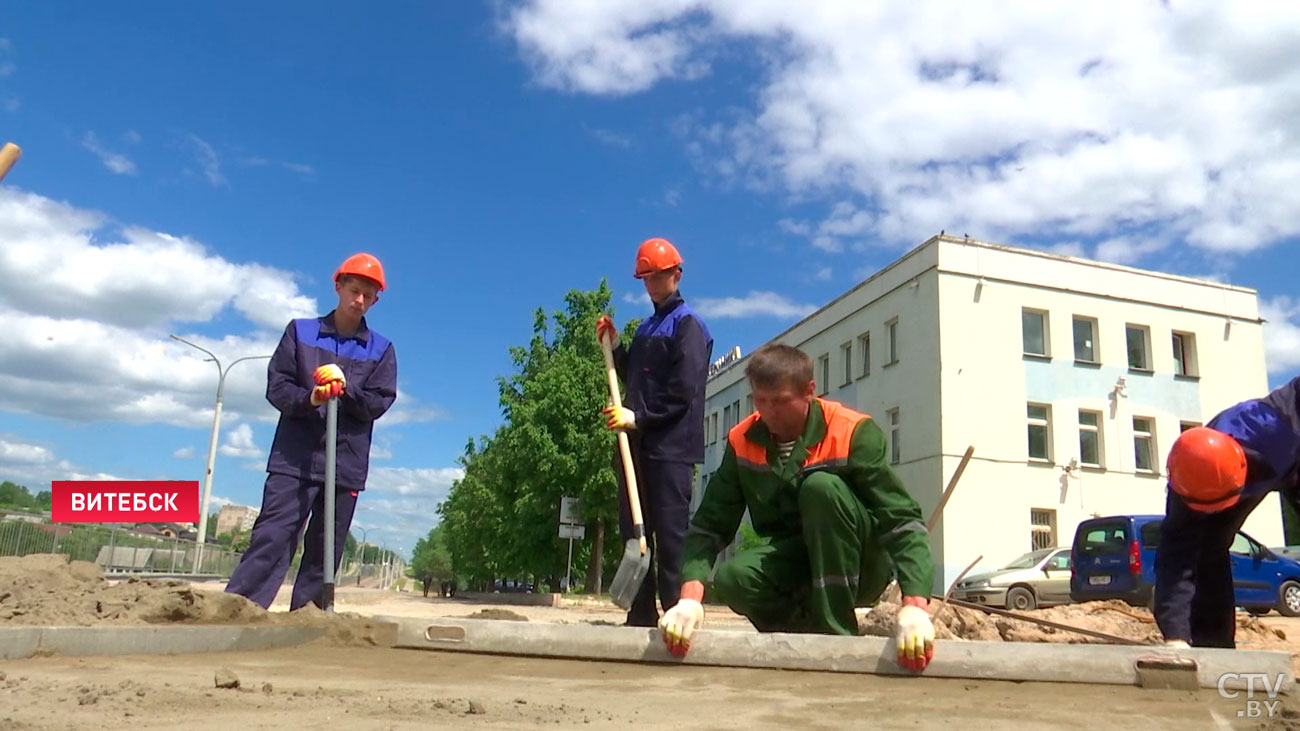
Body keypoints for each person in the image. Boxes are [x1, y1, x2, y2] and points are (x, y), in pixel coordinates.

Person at [658, 343, 937, 673]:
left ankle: (836, 637)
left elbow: (901, 520)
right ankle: (798, 642)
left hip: (860, 563)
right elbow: (709, 526)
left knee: (821, 487)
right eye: (760, 400)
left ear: (809, 392)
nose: (768, 412)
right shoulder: (743, 440)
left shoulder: (851, 432)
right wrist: (689, 600)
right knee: (732, 577)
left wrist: (916, 604)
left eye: (780, 401)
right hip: (795, 562)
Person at [225, 253, 398, 610]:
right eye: (354, 290)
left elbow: (378, 402)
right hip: (294, 458)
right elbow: (277, 387)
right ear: (338, 286)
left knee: (325, 548)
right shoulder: (300, 332)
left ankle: (309, 617)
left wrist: (345, 389)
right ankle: (238, 610)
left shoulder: (381, 350)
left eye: (368, 295)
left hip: (345, 464)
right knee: (273, 536)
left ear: (376, 299)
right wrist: (312, 398)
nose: (359, 300)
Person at [596, 237, 713, 627]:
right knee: (635, 533)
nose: (651, 282)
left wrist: (638, 417)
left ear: (676, 275)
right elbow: (636, 378)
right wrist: (616, 347)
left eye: (658, 275)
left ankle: (677, 614)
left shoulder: (689, 326)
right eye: (646, 276)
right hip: (637, 448)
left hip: (671, 449)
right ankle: (640, 613)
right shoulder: (647, 328)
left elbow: (684, 391)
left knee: (670, 533)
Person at [1154, 376, 1300, 648]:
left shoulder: (1275, 439)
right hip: (1246, 463)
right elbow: (1175, 556)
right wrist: (1175, 636)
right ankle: (1212, 644)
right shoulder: (1187, 474)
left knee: (1211, 545)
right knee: (1206, 547)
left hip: (1278, 451)